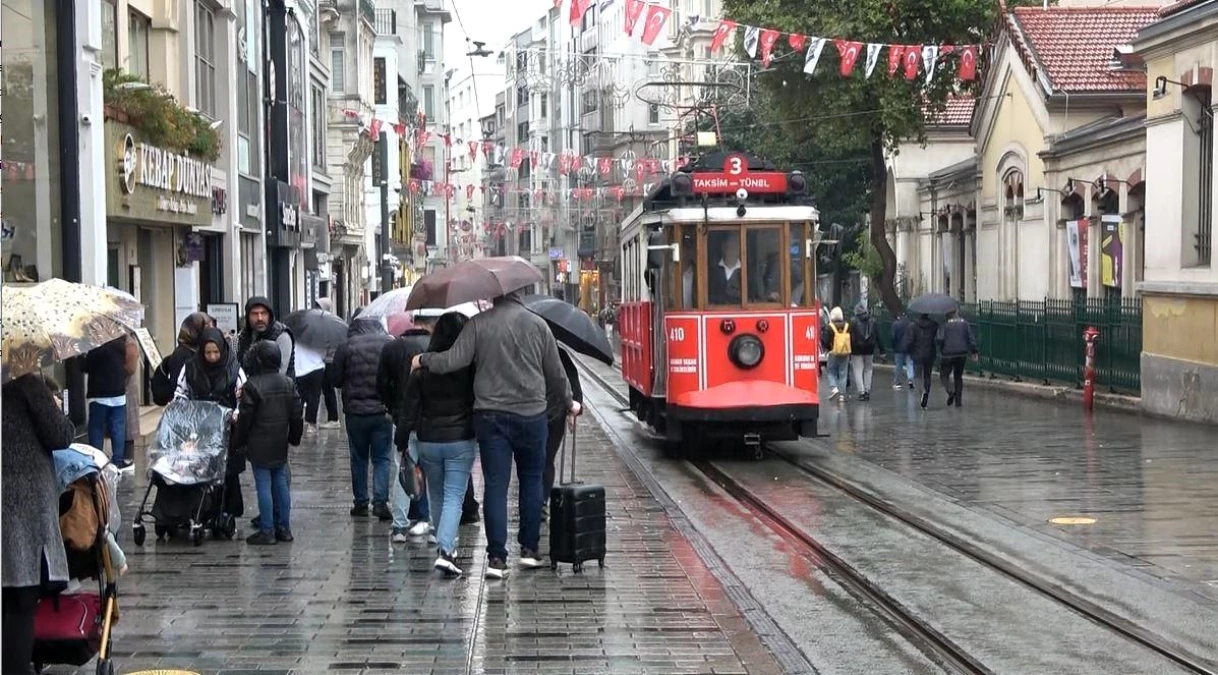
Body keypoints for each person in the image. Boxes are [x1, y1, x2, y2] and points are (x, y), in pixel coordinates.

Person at [412, 291, 576, 579]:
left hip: (490, 416)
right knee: (532, 479)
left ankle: (497, 558)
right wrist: (569, 402)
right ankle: (529, 549)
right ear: (519, 295)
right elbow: (556, 372)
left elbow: (453, 360)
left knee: (496, 485)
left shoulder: (478, 324)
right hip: (531, 415)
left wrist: (424, 360)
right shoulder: (539, 325)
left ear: (494, 296)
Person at [2, 373, 76, 675]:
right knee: (21, 599)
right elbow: (61, 435)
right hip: (23, 505)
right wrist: (55, 407)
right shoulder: (27, 384)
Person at [397, 312, 478, 576]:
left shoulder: (422, 370)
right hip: (460, 438)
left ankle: (448, 548)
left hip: (429, 439)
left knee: (438, 495)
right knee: (454, 494)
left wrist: (401, 441)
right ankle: (445, 550)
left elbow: (408, 409)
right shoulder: (469, 368)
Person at [234, 342, 305, 545]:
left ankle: (267, 530)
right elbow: (297, 414)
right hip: (279, 441)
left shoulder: (252, 385)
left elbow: (245, 418)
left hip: (258, 442)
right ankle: (284, 527)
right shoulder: (288, 383)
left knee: (263, 485)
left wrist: (239, 442)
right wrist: (294, 437)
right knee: (281, 484)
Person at [175, 327, 248, 518]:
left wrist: (236, 414)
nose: (212, 357)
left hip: (225, 428)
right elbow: (180, 392)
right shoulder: (190, 367)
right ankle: (198, 508)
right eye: (208, 352)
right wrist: (180, 410)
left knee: (227, 471)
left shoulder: (234, 369)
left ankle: (226, 509)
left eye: (216, 352)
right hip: (196, 426)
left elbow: (242, 396)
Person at [379, 310, 438, 540]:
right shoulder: (438, 348)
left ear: (413, 322)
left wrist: (393, 407)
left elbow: (381, 385)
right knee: (434, 474)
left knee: (403, 471)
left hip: (403, 420)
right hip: (432, 421)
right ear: (433, 325)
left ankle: (400, 526)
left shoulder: (392, 348)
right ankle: (433, 524)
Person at [331, 316, 395, 520]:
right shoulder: (388, 344)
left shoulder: (345, 346)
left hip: (356, 412)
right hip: (382, 411)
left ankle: (360, 503)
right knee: (382, 458)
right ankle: (380, 502)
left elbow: (336, 380)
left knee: (358, 458)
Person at [84, 334, 139, 470]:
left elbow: (85, 366)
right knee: (118, 428)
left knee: (97, 428)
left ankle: (97, 461)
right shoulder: (121, 343)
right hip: (118, 392)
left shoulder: (96, 345)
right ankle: (117, 462)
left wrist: (79, 358)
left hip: (99, 394)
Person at [543, 345, 583, 516]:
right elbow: (573, 384)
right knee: (546, 459)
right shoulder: (559, 353)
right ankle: (541, 502)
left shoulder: (521, 348)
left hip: (533, 413)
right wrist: (574, 408)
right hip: (554, 414)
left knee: (537, 460)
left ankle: (540, 501)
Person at [152, 312, 215, 405]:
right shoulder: (181, 355)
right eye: (206, 328)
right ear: (194, 331)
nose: (210, 332)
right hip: (189, 409)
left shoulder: (201, 350)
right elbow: (178, 388)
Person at [236, 296, 296, 378]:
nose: (259, 318)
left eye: (263, 313)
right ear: (248, 316)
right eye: (254, 314)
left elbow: (280, 372)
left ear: (269, 315)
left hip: (278, 388)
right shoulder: (245, 335)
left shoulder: (282, 335)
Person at [937, 309, 979, 407]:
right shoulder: (964, 323)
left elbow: (940, 339)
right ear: (956, 312)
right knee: (958, 377)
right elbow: (971, 338)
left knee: (944, 376)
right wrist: (974, 352)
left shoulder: (945, 325)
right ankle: (958, 401)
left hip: (948, 354)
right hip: (962, 354)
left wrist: (941, 347)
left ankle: (951, 391)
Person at [901, 313, 941, 409]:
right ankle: (926, 391)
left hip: (917, 354)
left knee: (918, 376)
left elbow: (909, 341)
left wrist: (908, 350)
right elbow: (938, 339)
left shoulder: (912, 326)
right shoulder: (934, 325)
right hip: (930, 354)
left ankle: (922, 392)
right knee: (927, 375)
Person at [848, 305, 882, 401]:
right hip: (870, 348)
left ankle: (861, 392)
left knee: (858, 370)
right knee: (868, 369)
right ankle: (867, 390)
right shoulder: (873, 321)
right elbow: (878, 336)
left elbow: (851, 337)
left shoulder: (853, 321)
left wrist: (850, 348)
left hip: (856, 349)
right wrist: (881, 350)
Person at [820, 306, 851, 401]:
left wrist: (827, 349)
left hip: (833, 351)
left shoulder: (830, 326)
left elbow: (825, 340)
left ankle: (834, 388)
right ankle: (842, 395)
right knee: (843, 373)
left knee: (830, 371)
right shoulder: (847, 325)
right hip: (845, 352)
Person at [708, 236, 743, 305]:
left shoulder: (746, 271)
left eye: (734, 247)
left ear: (740, 249)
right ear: (723, 248)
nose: (731, 251)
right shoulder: (712, 271)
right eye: (728, 247)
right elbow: (708, 296)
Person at [890, 311, 915, 390]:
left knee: (898, 365)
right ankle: (910, 379)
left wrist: (894, 346)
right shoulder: (911, 324)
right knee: (910, 364)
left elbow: (893, 337)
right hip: (909, 347)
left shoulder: (895, 324)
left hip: (898, 348)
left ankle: (897, 382)